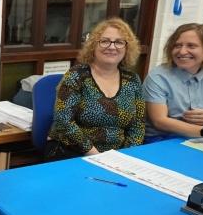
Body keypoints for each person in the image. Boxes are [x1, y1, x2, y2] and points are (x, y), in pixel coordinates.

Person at [45, 18, 145, 160]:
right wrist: (96, 156)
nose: (112, 47)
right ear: (93, 46)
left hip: (117, 157)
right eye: (104, 41)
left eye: (119, 42)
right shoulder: (76, 75)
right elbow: (63, 121)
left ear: (127, 48)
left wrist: (127, 157)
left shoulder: (132, 79)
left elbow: (138, 126)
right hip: (73, 151)